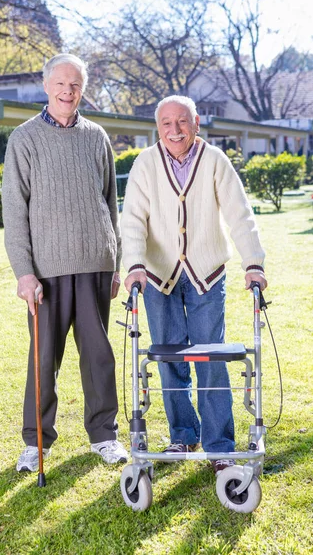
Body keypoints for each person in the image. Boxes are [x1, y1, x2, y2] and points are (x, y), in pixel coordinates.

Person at [121, 95, 267, 475]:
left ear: (196, 123)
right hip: (157, 275)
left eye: (182, 122)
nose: (175, 130)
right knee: (168, 359)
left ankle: (220, 445)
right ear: (157, 127)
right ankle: (183, 433)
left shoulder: (215, 161)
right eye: (166, 123)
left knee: (210, 359)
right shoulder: (145, 164)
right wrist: (134, 264)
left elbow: (239, 214)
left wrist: (253, 263)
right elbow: (133, 219)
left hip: (206, 272)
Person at [2, 53, 127, 472]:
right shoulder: (24, 138)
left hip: (96, 264)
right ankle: (36, 441)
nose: (67, 91)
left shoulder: (97, 137)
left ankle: (105, 435)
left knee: (98, 356)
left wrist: (115, 262)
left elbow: (110, 203)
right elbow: (15, 212)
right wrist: (24, 272)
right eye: (60, 83)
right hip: (46, 272)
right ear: (46, 86)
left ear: (82, 89)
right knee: (43, 360)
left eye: (75, 84)